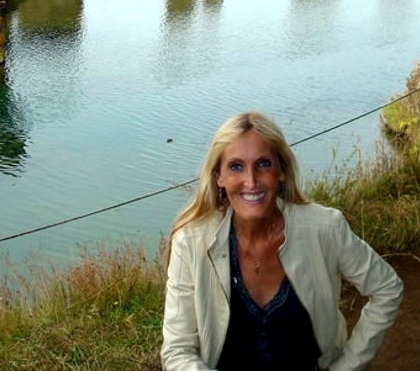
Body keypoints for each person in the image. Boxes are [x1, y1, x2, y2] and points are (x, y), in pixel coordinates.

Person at [161, 111, 404, 370]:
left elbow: (387, 288)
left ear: (282, 171)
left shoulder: (324, 228)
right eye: (236, 166)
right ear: (218, 176)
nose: (251, 181)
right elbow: (178, 351)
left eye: (263, 164)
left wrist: (347, 365)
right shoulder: (190, 242)